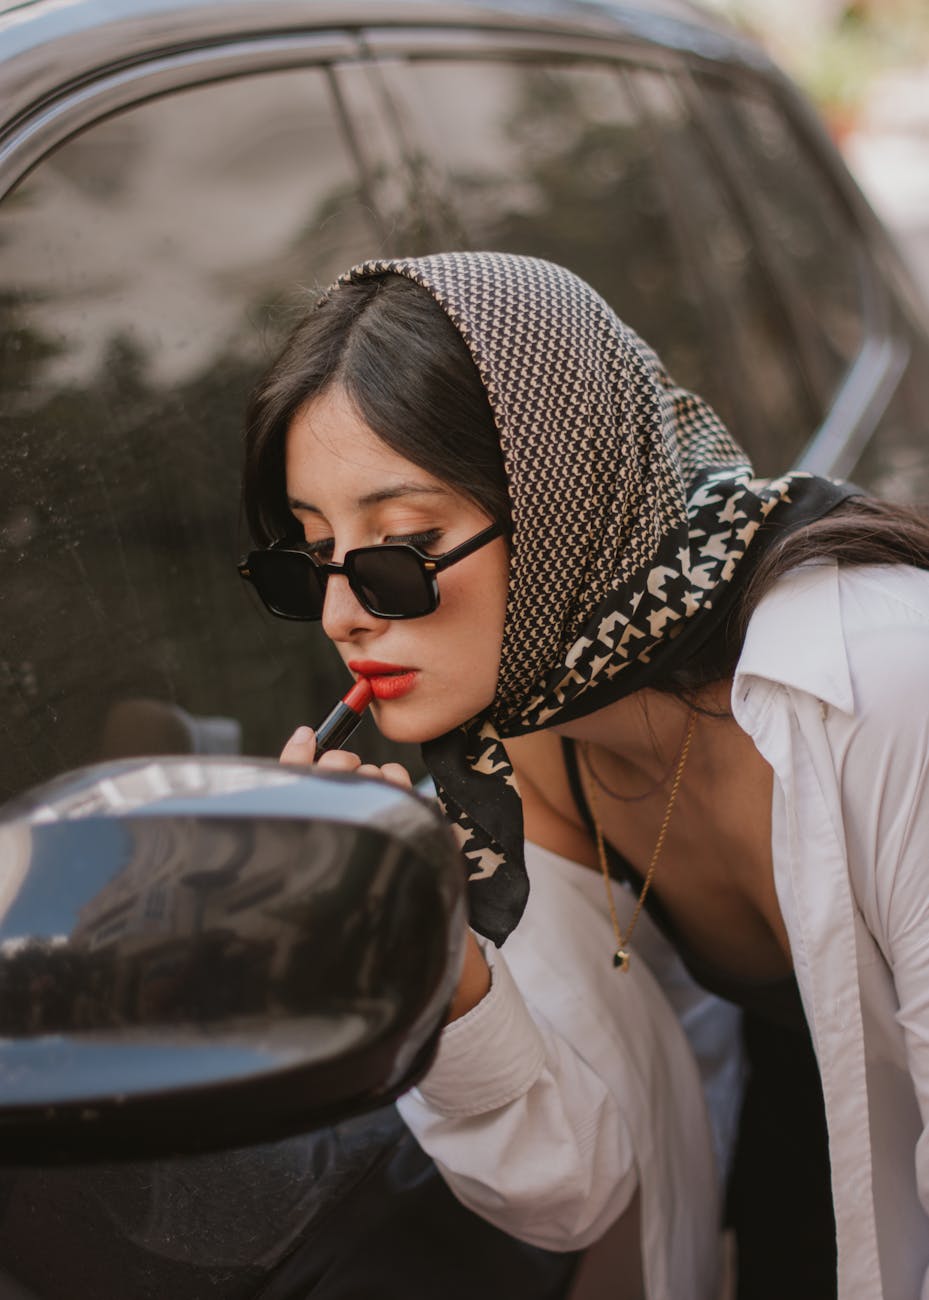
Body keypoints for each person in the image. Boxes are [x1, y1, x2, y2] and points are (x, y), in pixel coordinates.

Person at [240, 252, 929, 1300]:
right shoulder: (513, 757)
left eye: (401, 546)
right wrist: (432, 945)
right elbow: (574, 1184)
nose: (342, 612)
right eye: (310, 554)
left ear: (563, 495)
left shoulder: (883, 681)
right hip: (808, 1177)